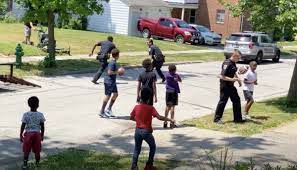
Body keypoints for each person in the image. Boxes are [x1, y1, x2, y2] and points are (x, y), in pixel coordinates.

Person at [130, 88, 175, 170]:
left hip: (137, 131)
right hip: (146, 132)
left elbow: (131, 117)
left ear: (140, 96)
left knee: (137, 148)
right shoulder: (150, 108)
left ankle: (134, 166)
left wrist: (138, 120)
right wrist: (169, 119)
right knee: (152, 147)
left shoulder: (136, 107)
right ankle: (149, 165)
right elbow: (159, 117)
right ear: (149, 98)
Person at [214, 50, 244, 124]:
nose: (239, 60)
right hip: (225, 85)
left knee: (236, 100)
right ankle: (217, 119)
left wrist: (238, 80)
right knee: (223, 101)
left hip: (231, 85)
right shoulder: (227, 63)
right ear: (235, 56)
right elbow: (222, 76)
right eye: (238, 58)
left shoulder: (233, 63)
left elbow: (234, 72)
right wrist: (233, 79)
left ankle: (238, 119)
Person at [20, 96, 46, 169]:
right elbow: (42, 126)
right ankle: (37, 165)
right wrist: (42, 135)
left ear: (29, 105)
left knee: (26, 150)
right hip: (37, 134)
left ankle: (25, 165)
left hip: (28, 134)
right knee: (37, 150)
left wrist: (20, 134)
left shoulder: (26, 114)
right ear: (38, 105)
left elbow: (23, 125)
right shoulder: (40, 114)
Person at [99, 48, 120, 118]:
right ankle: (102, 111)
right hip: (109, 81)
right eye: (118, 55)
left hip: (112, 82)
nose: (119, 56)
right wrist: (118, 72)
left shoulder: (114, 62)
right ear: (117, 55)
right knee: (108, 96)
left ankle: (108, 109)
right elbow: (109, 72)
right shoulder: (112, 62)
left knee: (116, 94)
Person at [164, 64, 182, 129]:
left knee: (167, 106)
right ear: (174, 70)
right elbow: (180, 80)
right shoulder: (176, 75)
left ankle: (165, 121)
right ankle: (172, 122)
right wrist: (176, 79)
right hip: (174, 92)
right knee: (172, 107)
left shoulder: (167, 75)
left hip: (168, 91)